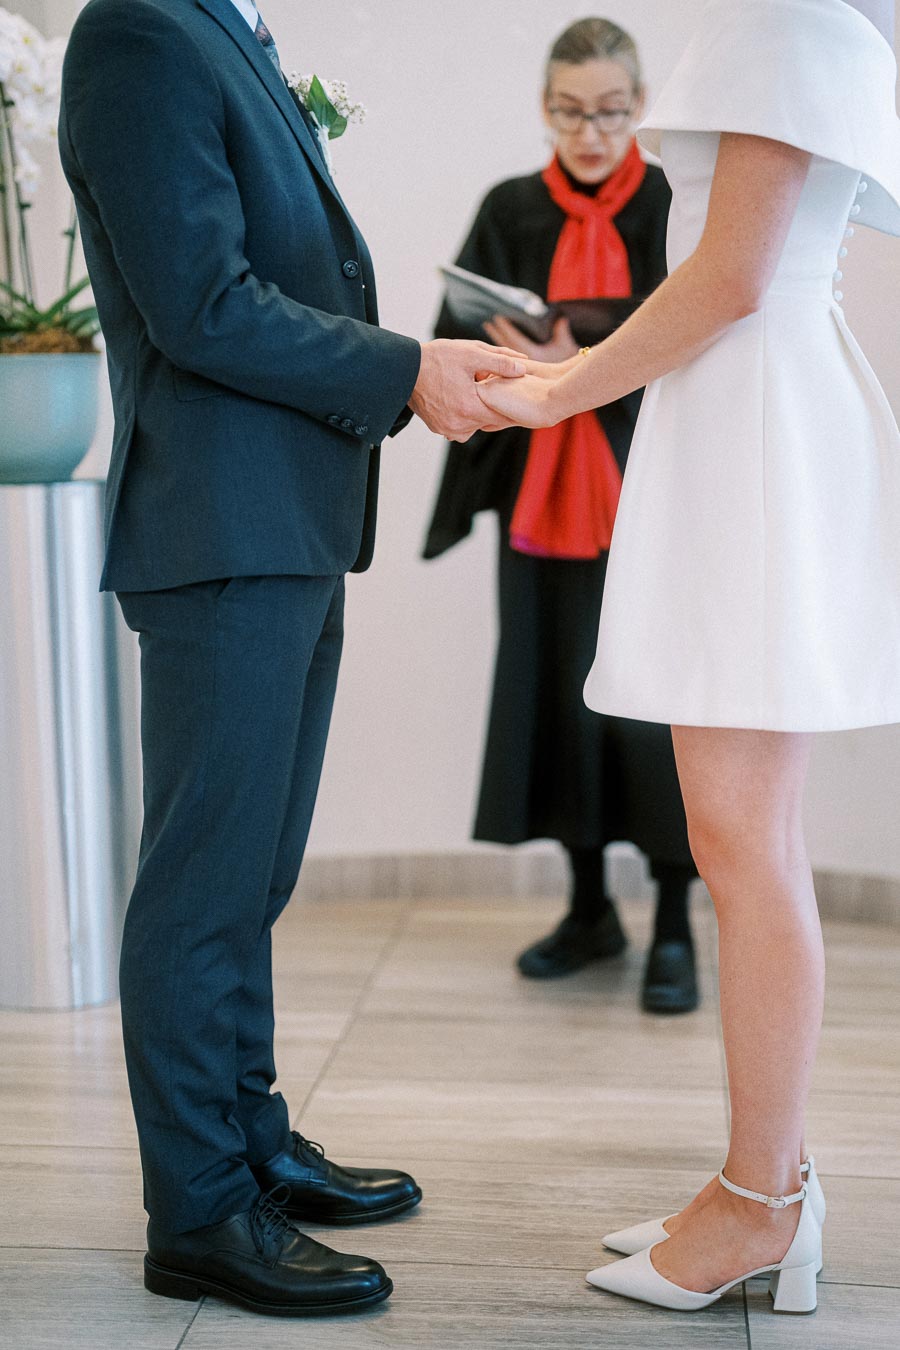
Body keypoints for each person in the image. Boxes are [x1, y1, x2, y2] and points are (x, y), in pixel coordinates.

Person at [58, 0, 524, 1320]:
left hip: (289, 518)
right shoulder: (137, 32)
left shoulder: (222, 27)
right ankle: (199, 1204)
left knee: (249, 869)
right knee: (203, 877)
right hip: (218, 523)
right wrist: (405, 370)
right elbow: (202, 304)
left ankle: (250, 1140)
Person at [479, 0, 900, 1316]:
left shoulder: (792, 23)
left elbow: (732, 274)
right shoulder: (789, 25)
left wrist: (561, 388)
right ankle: (758, 1182)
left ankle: (763, 1202)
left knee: (742, 838)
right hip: (746, 411)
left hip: (759, 420)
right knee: (741, 835)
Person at [424, 18, 699, 1013]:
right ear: (547, 108)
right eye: (571, 113)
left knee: (660, 717)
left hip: (650, 496)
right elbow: (452, 336)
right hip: (540, 497)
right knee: (560, 700)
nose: (591, 133)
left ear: (641, 109)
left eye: (613, 113)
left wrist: (572, 337)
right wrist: (507, 348)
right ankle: (591, 910)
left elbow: (696, 331)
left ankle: (675, 925)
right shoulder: (509, 207)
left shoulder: (673, 202)